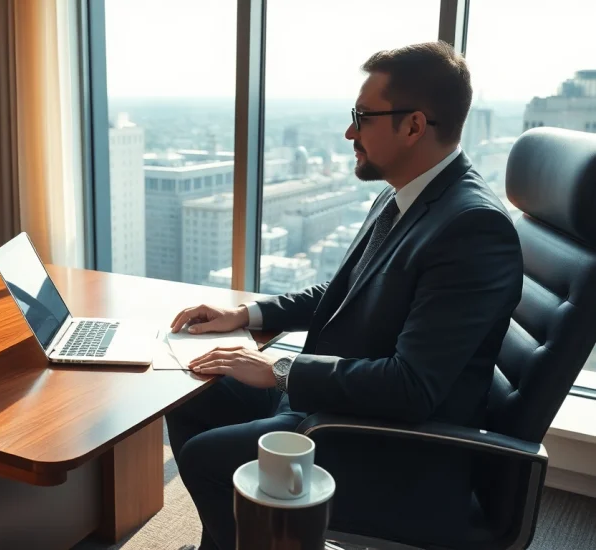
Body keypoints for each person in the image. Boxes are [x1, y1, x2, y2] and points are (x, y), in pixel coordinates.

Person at [167, 41, 524, 550]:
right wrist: (245, 313)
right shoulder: (403, 193)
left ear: (414, 126)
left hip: (394, 449)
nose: (349, 132)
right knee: (195, 393)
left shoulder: (472, 228)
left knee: (209, 458)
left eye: (362, 116)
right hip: (344, 403)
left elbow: (411, 387)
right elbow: (343, 294)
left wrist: (280, 370)